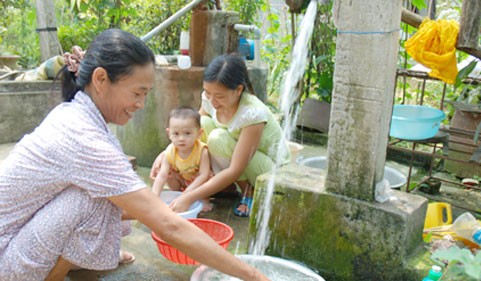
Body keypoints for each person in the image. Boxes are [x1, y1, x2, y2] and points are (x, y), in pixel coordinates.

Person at [0, 29, 270, 281]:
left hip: (18, 237)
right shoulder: (82, 137)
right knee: (90, 199)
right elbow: (169, 228)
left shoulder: (76, 113)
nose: (141, 104)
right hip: (7, 257)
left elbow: (138, 207)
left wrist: (159, 209)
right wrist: (256, 276)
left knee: (106, 193)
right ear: (101, 79)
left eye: (146, 94)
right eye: (137, 93)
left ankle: (81, 259)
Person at [151, 54, 290, 217]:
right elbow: (193, 127)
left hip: (271, 169)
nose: (212, 101)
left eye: (219, 96)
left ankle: (248, 192)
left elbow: (235, 170)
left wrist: (188, 197)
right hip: (241, 158)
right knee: (202, 122)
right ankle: (224, 186)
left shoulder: (253, 113)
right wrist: (165, 154)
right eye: (208, 93)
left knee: (217, 139)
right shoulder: (210, 99)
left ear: (238, 90)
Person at [151, 106, 212, 212]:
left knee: (207, 179)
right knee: (169, 174)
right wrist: (153, 196)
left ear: (199, 133)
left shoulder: (202, 151)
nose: (181, 139)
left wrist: (187, 193)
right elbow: (162, 175)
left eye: (187, 133)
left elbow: (204, 175)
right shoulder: (169, 152)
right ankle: (176, 194)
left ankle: (204, 199)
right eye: (176, 134)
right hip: (183, 179)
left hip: (197, 182)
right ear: (169, 134)